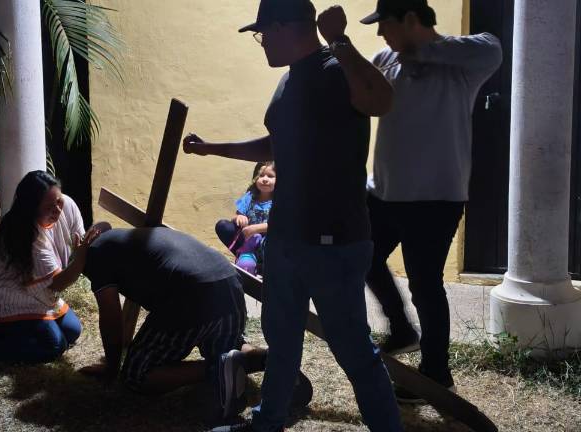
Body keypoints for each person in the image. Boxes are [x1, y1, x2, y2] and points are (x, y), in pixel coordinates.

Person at [184, 1, 403, 430]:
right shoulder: (289, 81)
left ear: (288, 27)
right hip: (286, 238)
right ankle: (267, 422)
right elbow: (274, 145)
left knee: (353, 349)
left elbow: (383, 100)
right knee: (281, 341)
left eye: (264, 33)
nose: (261, 42)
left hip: (334, 242)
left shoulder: (337, 68)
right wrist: (214, 148)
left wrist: (340, 40)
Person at [359, 0, 502, 403]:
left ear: (409, 19)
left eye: (384, 24)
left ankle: (438, 374)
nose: (380, 34)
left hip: (436, 197)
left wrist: (422, 50)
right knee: (363, 257)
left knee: (425, 285)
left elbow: (493, 48)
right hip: (383, 191)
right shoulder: (386, 56)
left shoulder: (464, 62)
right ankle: (402, 330)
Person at [79, 226, 310, 419]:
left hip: (192, 295)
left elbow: (110, 315)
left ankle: (218, 368)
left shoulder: (97, 252)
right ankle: (271, 361)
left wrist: (111, 367)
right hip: (229, 283)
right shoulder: (132, 238)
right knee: (224, 346)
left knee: (136, 375)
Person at [0, 170, 103, 369]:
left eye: (58, 201)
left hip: (36, 289)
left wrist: (81, 251)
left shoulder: (68, 205)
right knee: (54, 345)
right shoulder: (27, 234)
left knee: (72, 331)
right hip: (2, 294)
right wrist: (81, 257)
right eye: (49, 207)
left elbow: (78, 246)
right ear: (31, 209)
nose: (57, 210)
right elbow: (59, 282)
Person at [215, 161, 276, 275]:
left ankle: (262, 265)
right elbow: (236, 215)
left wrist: (255, 229)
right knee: (223, 225)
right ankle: (243, 255)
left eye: (270, 176)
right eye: (261, 175)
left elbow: (280, 223)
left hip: (267, 243)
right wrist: (239, 217)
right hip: (246, 239)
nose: (265, 179)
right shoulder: (250, 196)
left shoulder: (279, 201)